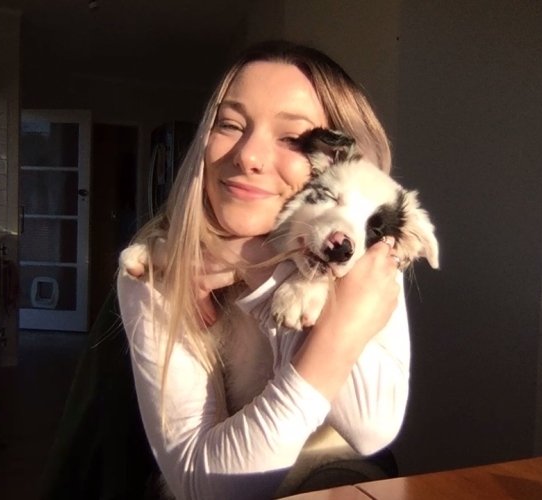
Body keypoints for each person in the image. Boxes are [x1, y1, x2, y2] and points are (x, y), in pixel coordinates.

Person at [117, 40, 410, 499]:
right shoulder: (152, 267)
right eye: (230, 124)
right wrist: (327, 330)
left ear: (339, 163)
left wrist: (256, 269)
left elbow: (371, 430)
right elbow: (201, 488)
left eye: (292, 138)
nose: (248, 156)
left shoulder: (361, 248)